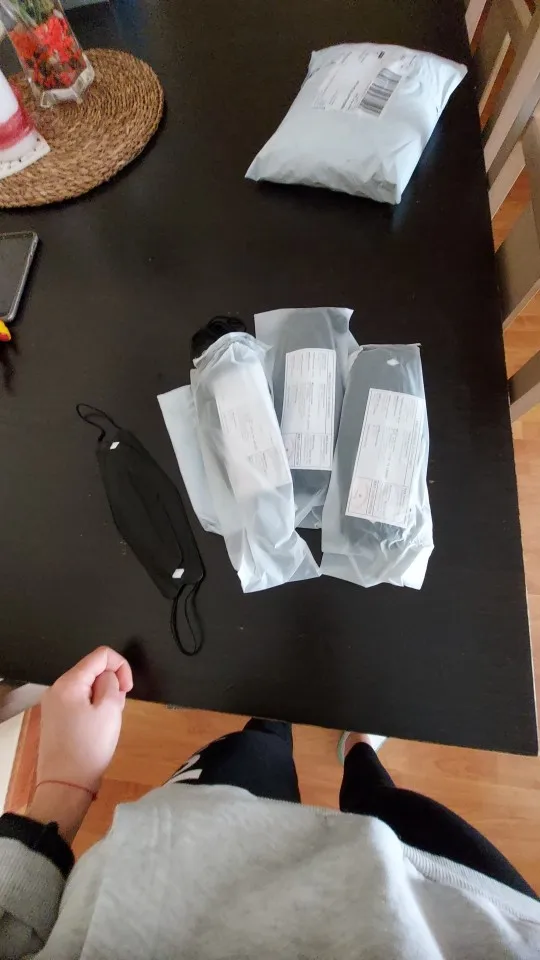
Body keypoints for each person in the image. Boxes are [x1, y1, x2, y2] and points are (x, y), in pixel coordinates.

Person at [0, 647, 539, 959]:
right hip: (470, 910)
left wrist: (64, 786)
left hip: (195, 842)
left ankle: (278, 714)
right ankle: (359, 745)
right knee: (387, 803)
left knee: (255, 750)